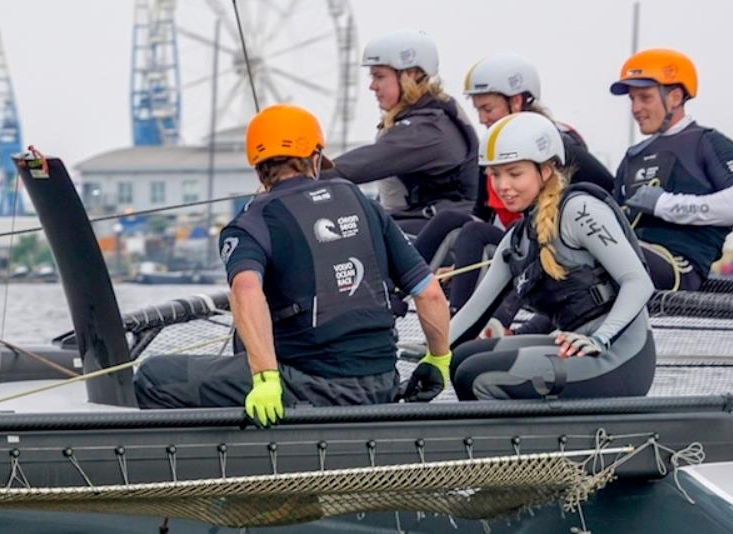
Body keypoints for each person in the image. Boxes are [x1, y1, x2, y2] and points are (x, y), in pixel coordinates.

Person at [134, 104, 452, 423]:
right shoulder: (363, 203)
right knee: (244, 341)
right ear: (314, 159)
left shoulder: (250, 223)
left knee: (152, 376)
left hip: (310, 388)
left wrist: (266, 380)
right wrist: (438, 360)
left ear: (258, 167)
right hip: (383, 383)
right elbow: (429, 294)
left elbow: (245, 293)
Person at [448, 112, 656, 401]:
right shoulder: (517, 238)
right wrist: (431, 359)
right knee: (460, 359)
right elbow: (473, 311)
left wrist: (599, 338)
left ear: (545, 171)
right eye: (495, 175)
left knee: (478, 376)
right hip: (573, 345)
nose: (502, 185)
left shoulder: (579, 211)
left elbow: (639, 282)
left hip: (617, 355)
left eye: (514, 173)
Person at [415, 52, 615, 334]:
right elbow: (480, 215)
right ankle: (391, 293)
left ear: (517, 101)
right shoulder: (495, 147)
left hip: (547, 245)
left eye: (488, 109)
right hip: (514, 240)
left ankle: (457, 326)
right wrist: (460, 265)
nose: (483, 119)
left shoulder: (555, 140)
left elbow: (607, 185)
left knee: (474, 234)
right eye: (479, 111)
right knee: (449, 219)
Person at [611, 48, 733, 291]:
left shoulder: (708, 142)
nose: (635, 108)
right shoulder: (633, 156)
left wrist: (664, 204)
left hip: (678, 267)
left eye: (645, 97)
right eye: (632, 99)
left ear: (675, 97)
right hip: (632, 258)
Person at [320, 30, 479, 234]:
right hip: (419, 222)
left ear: (410, 75)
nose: (372, 86)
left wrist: (302, 173)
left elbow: (365, 163)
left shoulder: (428, 129)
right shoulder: (421, 119)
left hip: (438, 229)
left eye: (379, 76)